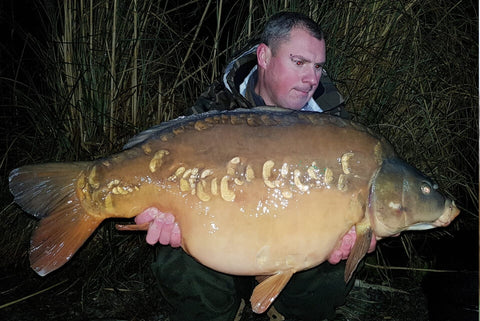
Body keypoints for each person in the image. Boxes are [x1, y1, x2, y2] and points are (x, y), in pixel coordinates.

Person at [135, 12, 375, 321]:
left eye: (318, 66)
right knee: (176, 254)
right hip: (222, 249)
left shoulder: (334, 126)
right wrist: (167, 214)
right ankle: (222, 312)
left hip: (295, 256)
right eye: (299, 63)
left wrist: (359, 232)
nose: (312, 79)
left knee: (338, 260)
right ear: (264, 56)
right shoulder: (214, 110)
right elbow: (167, 171)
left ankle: (283, 311)